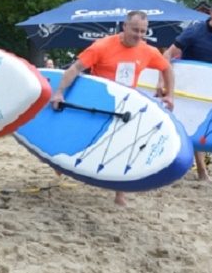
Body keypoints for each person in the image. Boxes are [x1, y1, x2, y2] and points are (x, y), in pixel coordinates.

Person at [49, 10, 175, 206]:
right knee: (83, 138)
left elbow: (166, 68)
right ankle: (59, 163)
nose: (139, 35)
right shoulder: (102, 46)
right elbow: (75, 68)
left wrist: (170, 94)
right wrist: (59, 92)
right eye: (135, 30)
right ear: (124, 27)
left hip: (126, 104)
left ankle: (120, 194)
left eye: (143, 31)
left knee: (125, 145)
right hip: (99, 102)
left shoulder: (147, 51)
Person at [165, 0, 212, 181]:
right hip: (187, 84)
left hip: (210, 84)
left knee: (202, 127)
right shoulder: (195, 31)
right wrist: (163, 79)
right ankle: (201, 170)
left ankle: (200, 166)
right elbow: (168, 54)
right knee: (191, 124)